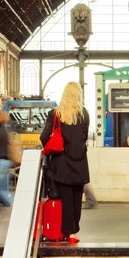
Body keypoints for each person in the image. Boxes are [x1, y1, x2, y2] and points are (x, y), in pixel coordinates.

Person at [41, 82, 90, 244]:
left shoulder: (55, 114)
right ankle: (73, 233)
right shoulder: (84, 114)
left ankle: (66, 231)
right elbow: (83, 138)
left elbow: (44, 137)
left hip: (61, 163)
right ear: (79, 95)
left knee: (66, 199)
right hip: (80, 162)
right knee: (77, 199)